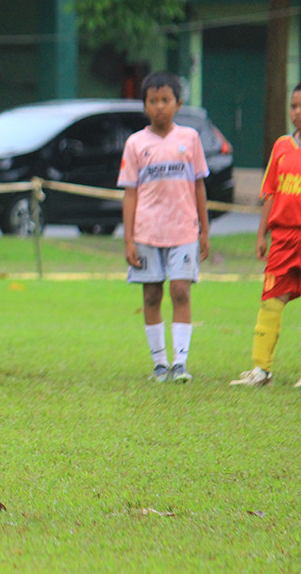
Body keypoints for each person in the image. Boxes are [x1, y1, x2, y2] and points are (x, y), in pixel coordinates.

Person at [118, 71, 210, 383]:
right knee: (152, 296)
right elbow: (130, 194)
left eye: (165, 100)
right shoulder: (135, 144)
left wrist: (205, 231)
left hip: (184, 230)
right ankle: (160, 364)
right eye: (153, 101)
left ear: (178, 103)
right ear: (145, 105)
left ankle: (180, 364)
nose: (160, 106)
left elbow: (199, 187)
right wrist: (129, 238)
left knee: (180, 290)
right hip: (147, 233)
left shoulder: (190, 139)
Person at [231, 83, 301, 387]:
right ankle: (261, 370)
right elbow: (270, 193)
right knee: (272, 300)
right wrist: (262, 234)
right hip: (283, 238)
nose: (297, 113)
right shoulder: (281, 147)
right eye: (293, 106)